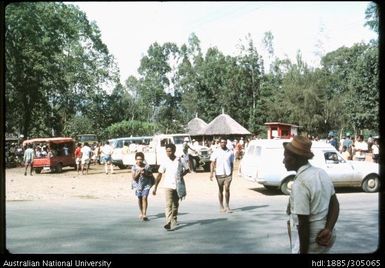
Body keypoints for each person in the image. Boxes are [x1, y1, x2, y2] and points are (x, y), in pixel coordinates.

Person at [283, 135, 339, 254]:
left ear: (295, 159)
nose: (283, 161)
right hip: (325, 235)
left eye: (285, 156)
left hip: (312, 239)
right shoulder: (321, 173)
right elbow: (335, 204)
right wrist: (329, 228)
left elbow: (303, 224)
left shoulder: (300, 183)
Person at [152, 143, 190, 231]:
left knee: (175, 204)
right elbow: (159, 175)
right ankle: (168, 222)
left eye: (170, 151)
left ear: (174, 151)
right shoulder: (164, 161)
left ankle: (174, 218)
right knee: (168, 204)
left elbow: (188, 170)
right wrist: (155, 187)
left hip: (178, 185)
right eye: (167, 151)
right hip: (168, 185)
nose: (168, 153)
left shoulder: (180, 160)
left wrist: (181, 175)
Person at [209, 137, 235, 213]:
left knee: (227, 189)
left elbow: (231, 163)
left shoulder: (230, 152)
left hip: (228, 173)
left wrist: (231, 173)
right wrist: (211, 174)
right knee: (220, 189)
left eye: (224, 142)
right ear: (219, 143)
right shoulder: (216, 152)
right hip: (219, 173)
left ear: (226, 143)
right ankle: (221, 206)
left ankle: (227, 206)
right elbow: (212, 163)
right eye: (222, 142)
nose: (223, 143)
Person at [132, 152, 154, 221]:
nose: (139, 161)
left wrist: (145, 173)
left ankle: (144, 214)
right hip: (138, 185)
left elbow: (151, 175)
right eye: (138, 159)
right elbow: (134, 178)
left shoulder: (147, 166)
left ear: (143, 159)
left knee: (144, 197)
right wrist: (139, 172)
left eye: (141, 159)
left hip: (146, 184)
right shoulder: (134, 167)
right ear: (135, 159)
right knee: (139, 198)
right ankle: (141, 212)